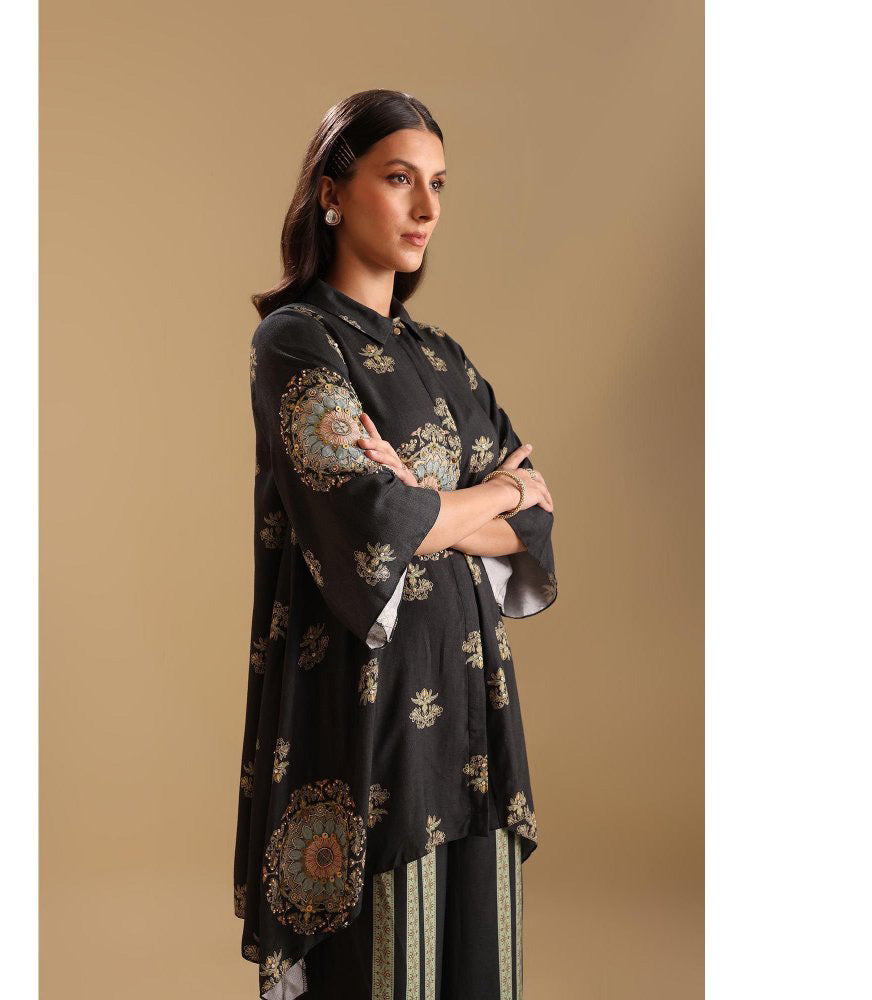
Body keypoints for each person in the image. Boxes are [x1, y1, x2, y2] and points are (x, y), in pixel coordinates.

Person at [234, 88, 557, 1000]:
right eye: (400, 179)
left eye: (438, 184)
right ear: (332, 192)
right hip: (365, 711)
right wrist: (481, 496)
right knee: (381, 967)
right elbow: (372, 520)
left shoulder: (444, 359)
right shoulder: (297, 343)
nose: (427, 208)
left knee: (477, 965)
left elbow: (533, 520)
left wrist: (439, 503)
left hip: (472, 709)